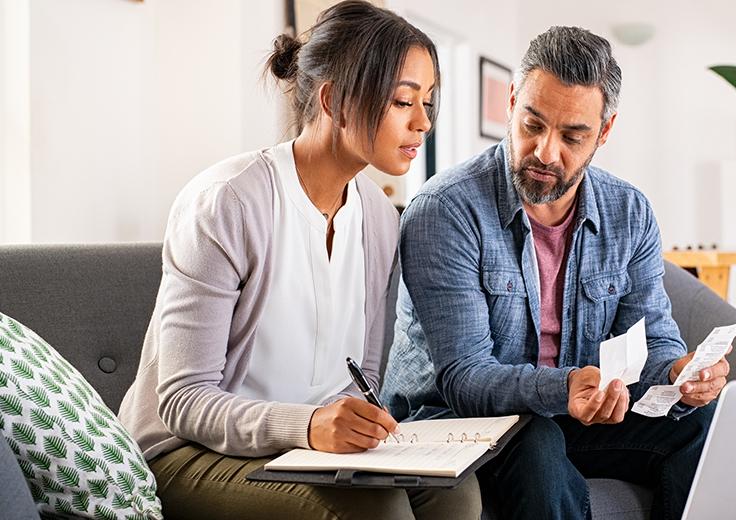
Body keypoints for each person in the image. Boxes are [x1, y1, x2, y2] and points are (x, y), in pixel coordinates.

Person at [117, 2, 480, 518]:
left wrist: (367, 427)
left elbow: (365, 377)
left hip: (304, 452)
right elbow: (183, 400)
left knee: (457, 494)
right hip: (186, 454)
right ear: (333, 100)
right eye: (403, 101)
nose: (423, 122)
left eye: (428, 101)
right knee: (376, 511)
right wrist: (308, 426)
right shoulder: (227, 203)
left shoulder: (380, 219)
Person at [381, 26, 731, 520]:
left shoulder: (629, 212)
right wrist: (565, 389)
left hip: (570, 409)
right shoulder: (445, 210)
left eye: (572, 136)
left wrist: (678, 375)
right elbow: (463, 377)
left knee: (705, 422)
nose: (546, 152)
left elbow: (653, 338)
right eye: (533, 125)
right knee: (538, 438)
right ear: (511, 103)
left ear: (603, 133)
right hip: (451, 419)